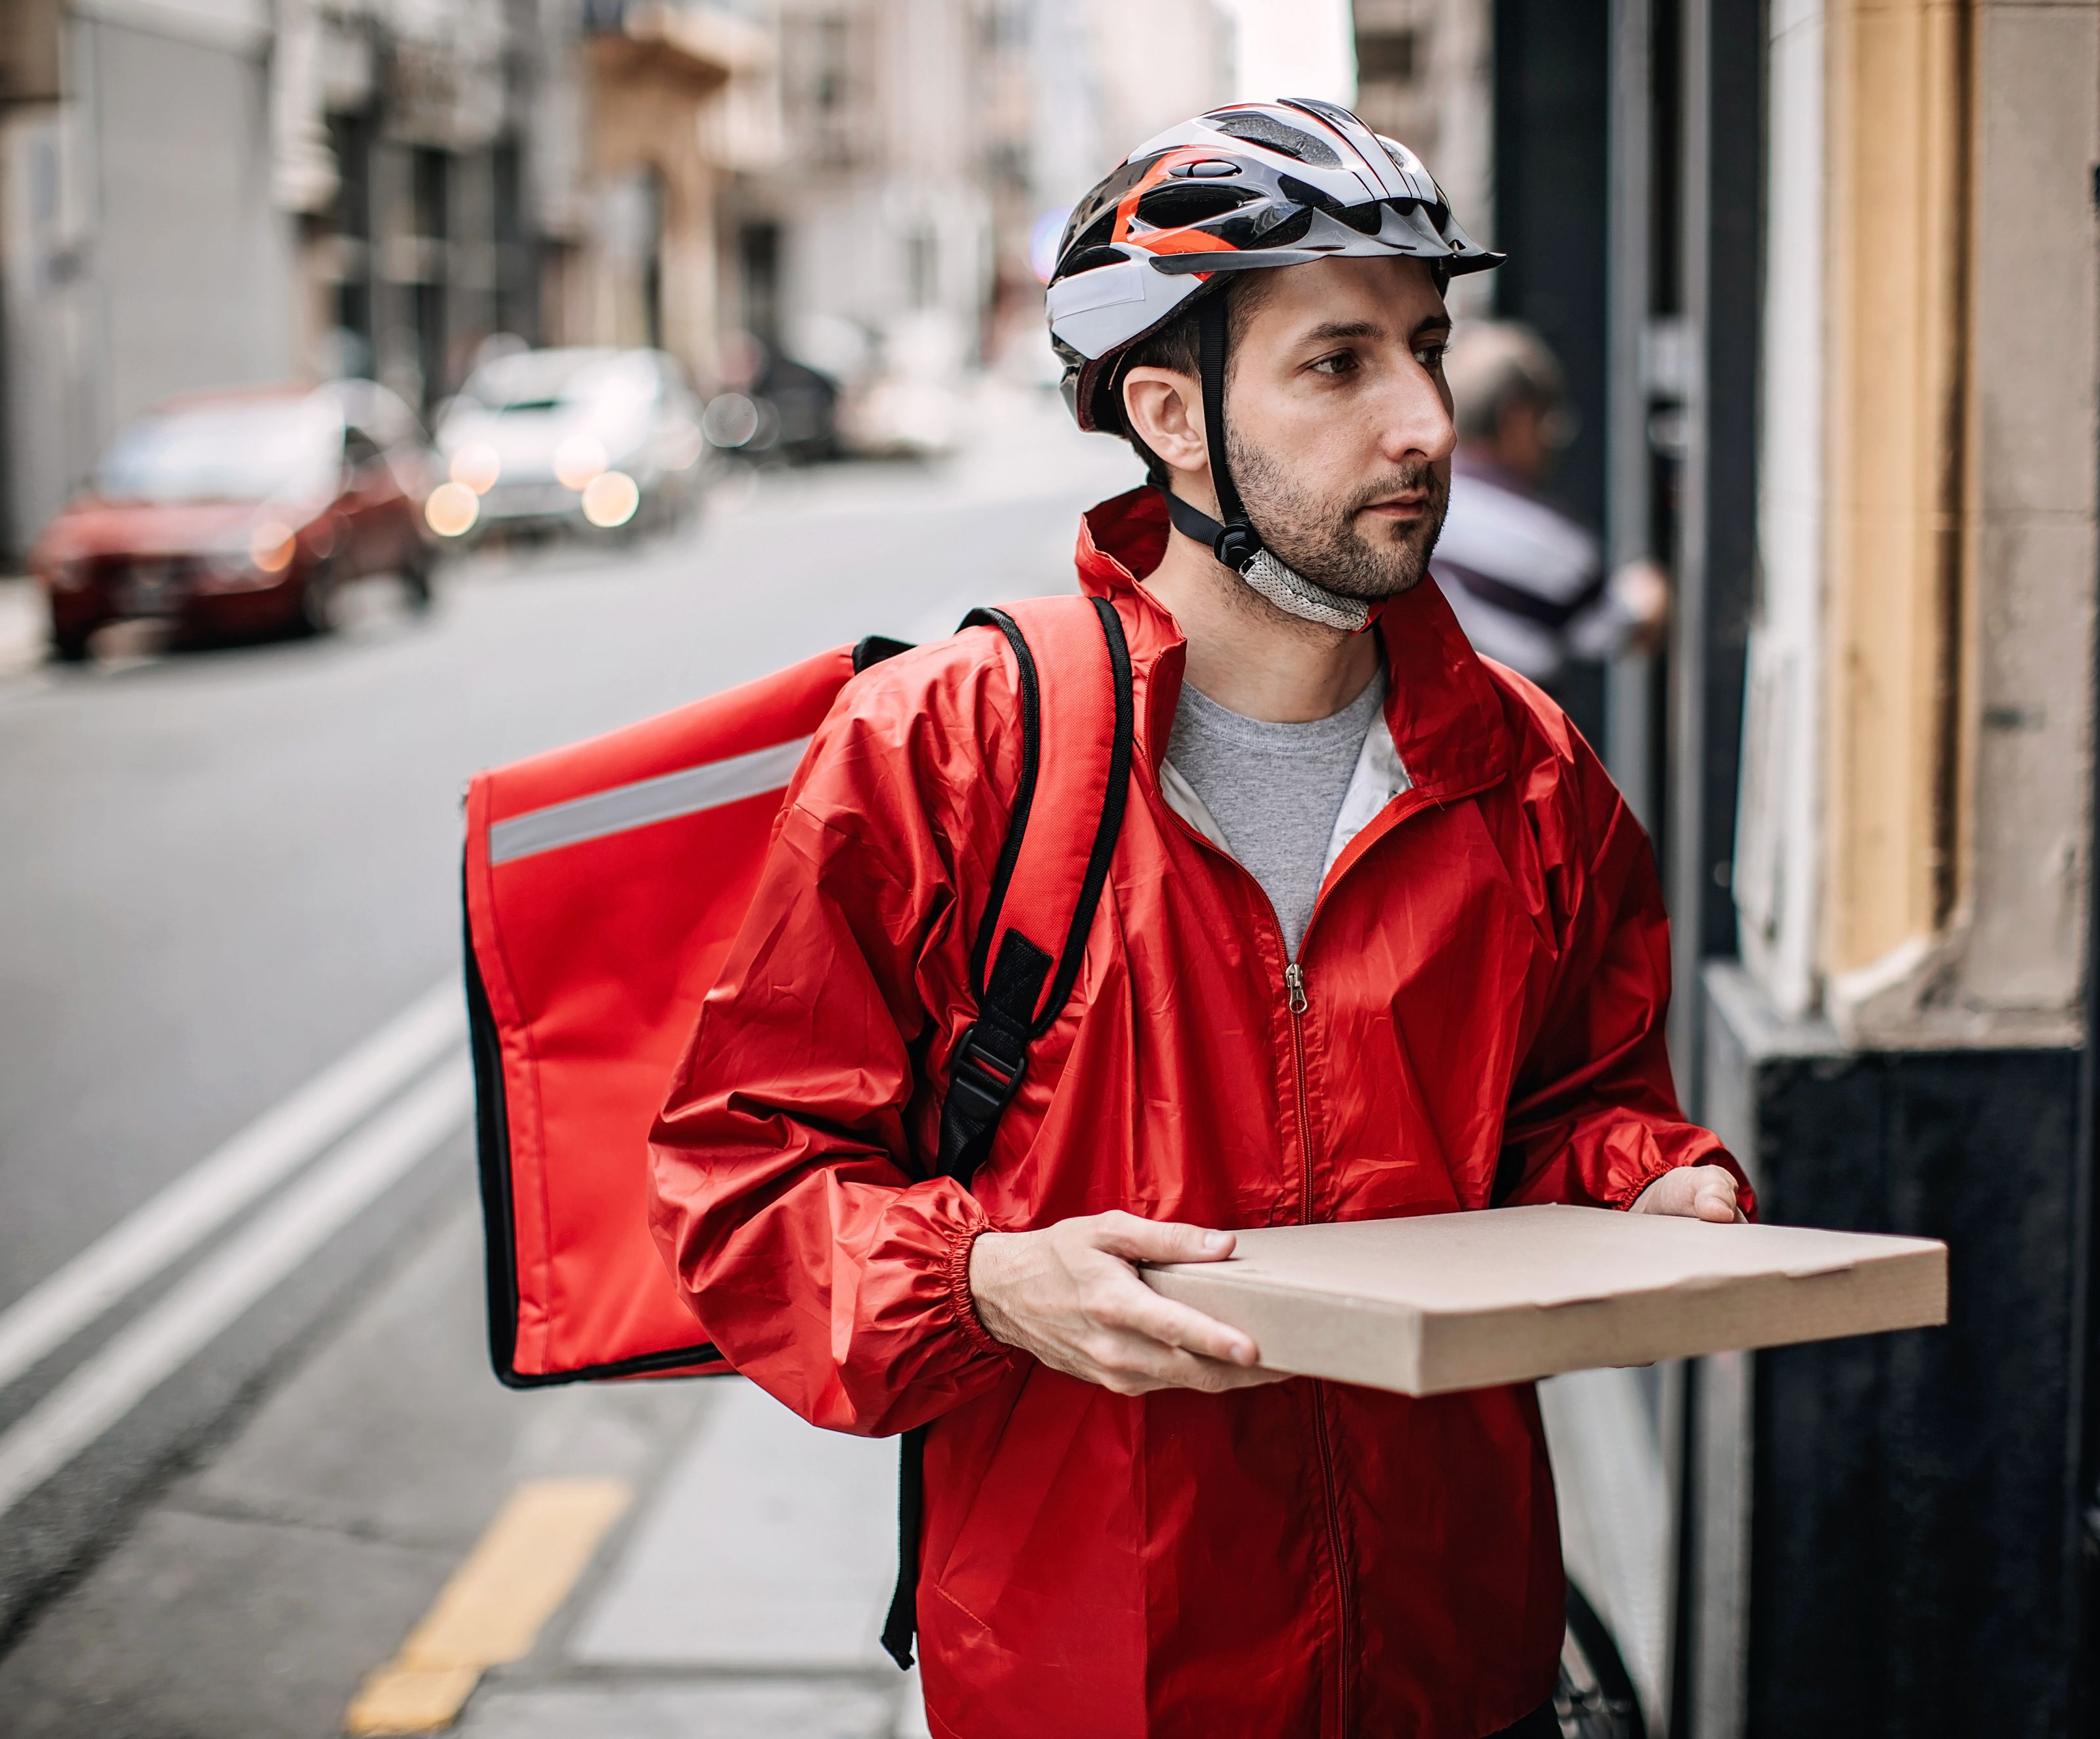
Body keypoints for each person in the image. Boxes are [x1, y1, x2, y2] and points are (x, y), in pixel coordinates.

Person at [648, 99, 1747, 1739]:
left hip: (1462, 1669)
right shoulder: (950, 749)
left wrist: (1644, 1182)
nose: (1426, 421)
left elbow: (1568, 1110)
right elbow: (743, 1187)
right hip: (1093, 1683)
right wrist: (985, 1283)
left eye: (1426, 349)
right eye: (1337, 364)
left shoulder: (1528, 772)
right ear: (1168, 414)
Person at [1428, 320, 1668, 684]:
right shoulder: (1537, 533)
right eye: (1550, 422)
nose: (1553, 443)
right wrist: (1652, 587)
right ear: (1517, 417)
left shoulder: (1418, 499)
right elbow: (1625, 627)